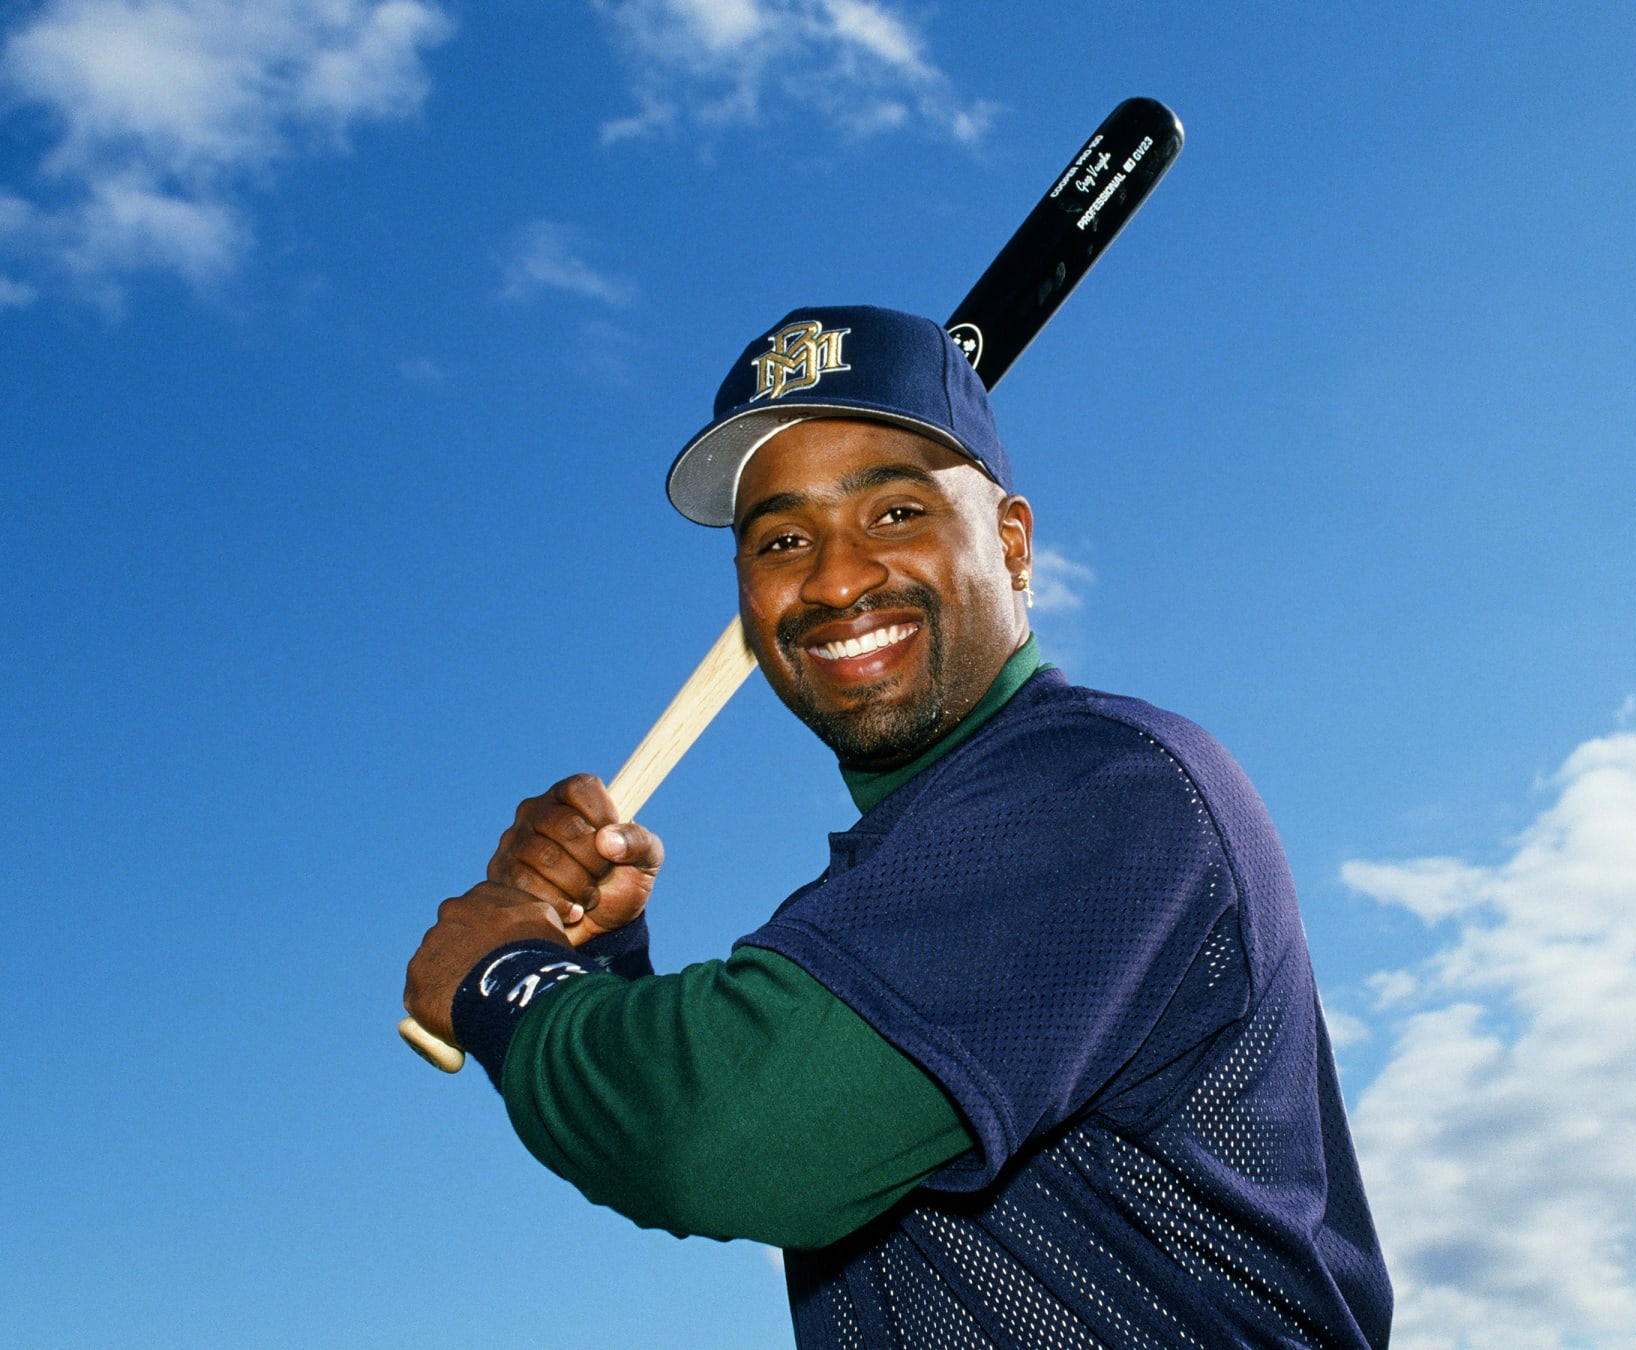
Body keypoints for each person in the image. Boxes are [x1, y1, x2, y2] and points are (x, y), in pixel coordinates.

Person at [404, 305, 1392, 1348]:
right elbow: (747, 1105)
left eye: (894, 515)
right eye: (783, 538)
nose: (834, 579)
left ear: (1011, 543)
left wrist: (498, 975)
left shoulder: (1104, 790)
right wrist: (595, 960)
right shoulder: (897, 879)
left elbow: (727, 1133)